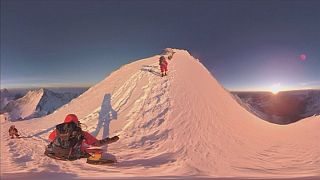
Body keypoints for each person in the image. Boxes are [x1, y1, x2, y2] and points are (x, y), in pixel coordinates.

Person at [45, 114, 119, 160]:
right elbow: (96, 143)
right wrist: (111, 140)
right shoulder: (82, 133)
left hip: (55, 153)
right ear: (76, 122)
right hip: (72, 156)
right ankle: (96, 158)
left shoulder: (57, 131)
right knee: (97, 150)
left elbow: (50, 138)